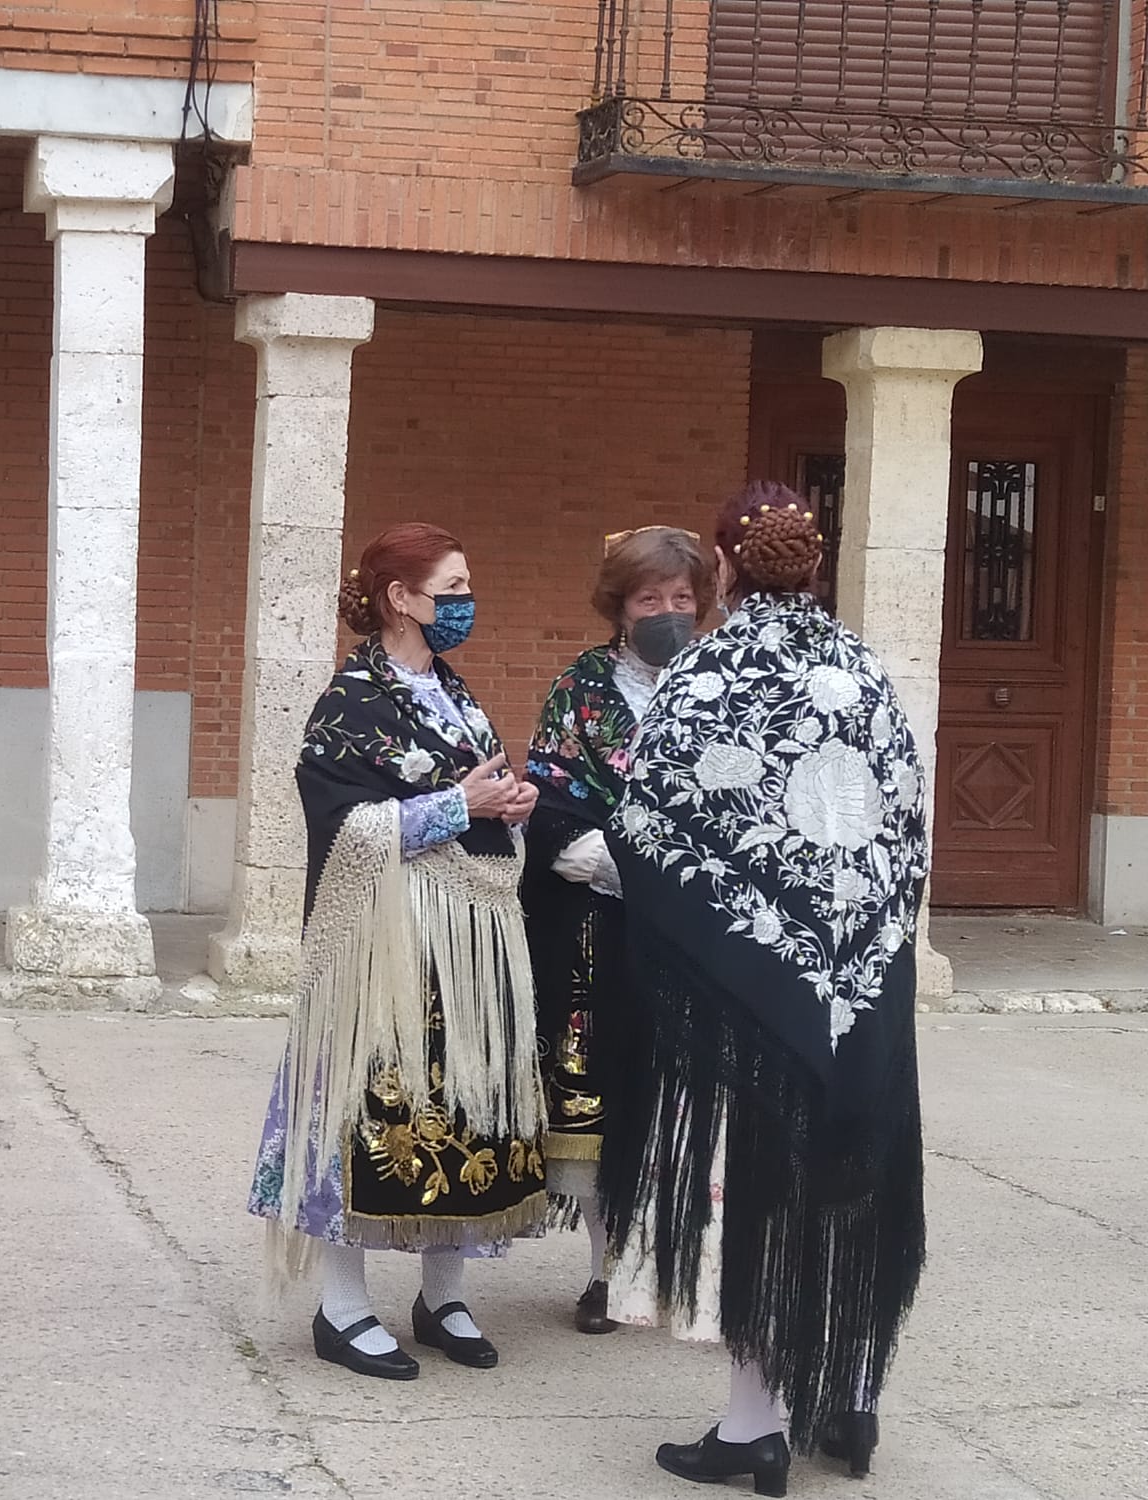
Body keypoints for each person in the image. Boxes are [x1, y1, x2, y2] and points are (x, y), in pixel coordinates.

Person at [601, 483, 930, 1494]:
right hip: (862, 974)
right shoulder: (865, 670)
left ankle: (753, 1426)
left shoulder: (705, 673)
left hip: (748, 987)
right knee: (852, 1167)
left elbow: (646, 824)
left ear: (722, 561)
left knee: (759, 1184)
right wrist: (859, 937)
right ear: (814, 564)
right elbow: (905, 821)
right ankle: (849, 1396)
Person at [249, 522, 548, 1381]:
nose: (464, 603)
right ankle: (342, 1309)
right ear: (400, 599)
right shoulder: (350, 704)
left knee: (461, 1110)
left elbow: (476, 790)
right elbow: (339, 826)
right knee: (371, 1110)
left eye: (464, 587)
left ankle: (442, 1295)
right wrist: (457, 807)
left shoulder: (455, 694)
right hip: (387, 946)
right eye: (450, 588)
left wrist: (508, 801)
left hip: (471, 936)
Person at [521, 526, 712, 1336]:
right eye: (649, 599)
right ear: (619, 607)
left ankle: (683, 1266)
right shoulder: (583, 690)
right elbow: (552, 810)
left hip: (701, 940)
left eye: (681, 599)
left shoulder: (721, 688)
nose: (667, 612)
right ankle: (606, 1269)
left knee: (688, 1102)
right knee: (600, 1103)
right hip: (603, 934)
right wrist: (637, 865)